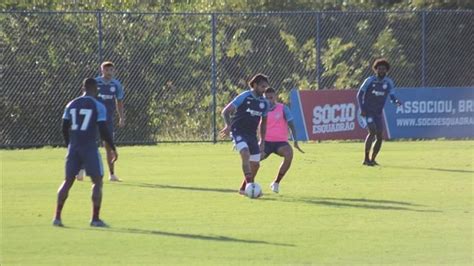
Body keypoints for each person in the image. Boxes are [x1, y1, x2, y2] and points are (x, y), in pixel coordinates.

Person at [53, 78, 118, 227]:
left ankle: (57, 217)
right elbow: (103, 129)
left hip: (74, 147)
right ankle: (95, 219)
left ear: (83, 88)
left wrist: (69, 145)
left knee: (68, 181)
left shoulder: (71, 104)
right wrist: (113, 147)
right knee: (97, 181)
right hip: (89, 148)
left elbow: (64, 127)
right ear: (95, 89)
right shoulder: (98, 106)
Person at [220, 73, 270, 196]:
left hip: (252, 135)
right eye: (262, 87)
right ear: (255, 85)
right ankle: (250, 185)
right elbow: (225, 111)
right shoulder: (244, 96)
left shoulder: (265, 103)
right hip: (238, 131)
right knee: (245, 153)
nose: (264, 90)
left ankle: (243, 189)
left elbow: (263, 123)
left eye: (266, 87)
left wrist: (262, 141)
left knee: (256, 164)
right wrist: (228, 126)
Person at [76, 61, 124, 181]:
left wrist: (121, 117)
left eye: (111, 70)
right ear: (102, 70)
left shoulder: (116, 84)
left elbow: (119, 101)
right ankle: (81, 170)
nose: (109, 72)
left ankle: (112, 174)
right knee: (88, 143)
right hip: (93, 118)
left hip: (107, 120)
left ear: (114, 71)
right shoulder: (95, 82)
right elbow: (85, 98)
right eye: (106, 70)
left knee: (108, 145)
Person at [357, 58, 402, 166]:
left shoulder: (389, 82)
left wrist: (396, 101)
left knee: (380, 136)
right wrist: (362, 108)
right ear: (375, 70)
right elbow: (359, 95)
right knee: (372, 131)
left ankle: (373, 159)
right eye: (379, 69)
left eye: (384, 69)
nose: (381, 71)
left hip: (378, 113)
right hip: (368, 111)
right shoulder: (369, 80)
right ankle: (366, 158)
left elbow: (392, 97)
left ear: (387, 71)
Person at [261, 87, 304, 193]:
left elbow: (292, 125)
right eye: (266, 98)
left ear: (275, 97)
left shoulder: (283, 108)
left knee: (289, 154)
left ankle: (276, 183)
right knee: (253, 160)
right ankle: (248, 184)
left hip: (280, 143)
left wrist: (295, 141)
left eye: (271, 98)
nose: (269, 100)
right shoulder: (260, 109)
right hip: (265, 142)